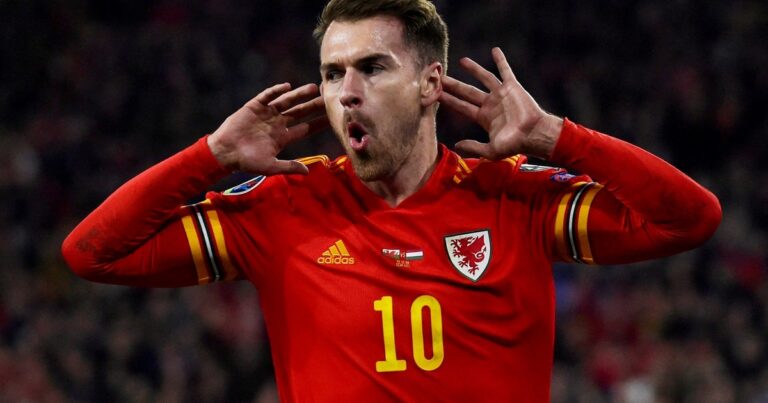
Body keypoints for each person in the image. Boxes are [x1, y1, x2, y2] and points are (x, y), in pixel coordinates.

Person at [61, 0, 722, 401]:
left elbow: (690, 218)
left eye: (372, 68)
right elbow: (93, 253)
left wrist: (557, 136)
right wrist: (208, 157)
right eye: (331, 73)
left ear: (430, 83)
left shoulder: (512, 198)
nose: (345, 91)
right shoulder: (281, 207)